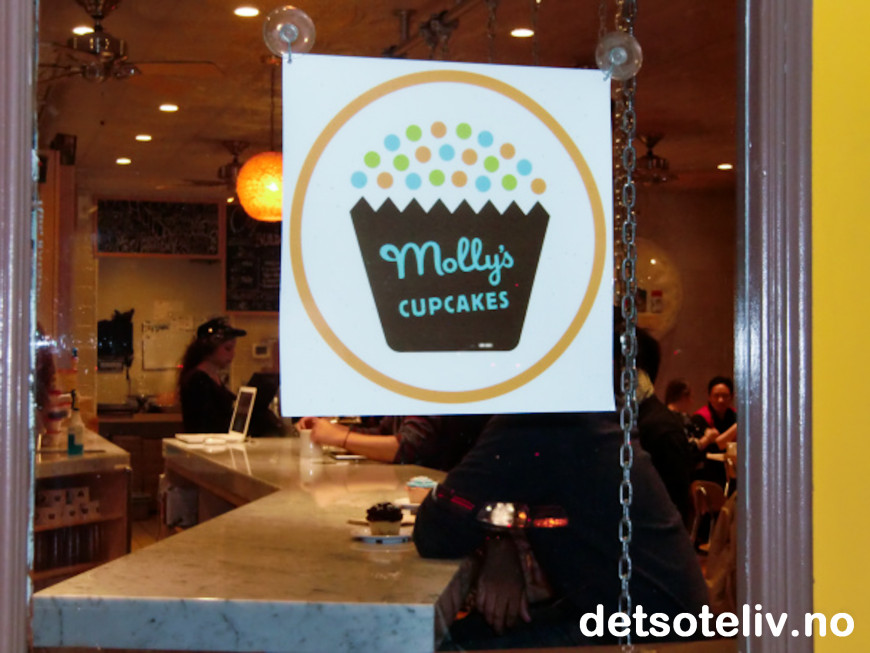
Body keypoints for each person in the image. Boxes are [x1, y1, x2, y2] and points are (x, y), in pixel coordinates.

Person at [413, 411, 709, 649]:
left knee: (445, 645)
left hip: (649, 636)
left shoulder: (541, 419)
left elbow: (435, 529)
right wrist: (498, 541)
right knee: (469, 632)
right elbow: (493, 500)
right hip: (653, 619)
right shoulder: (582, 414)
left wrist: (496, 537)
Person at [297, 414, 491, 471]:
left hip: (439, 491)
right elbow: (383, 433)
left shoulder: (428, 383)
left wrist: (341, 438)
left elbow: (408, 447)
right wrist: (335, 430)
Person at [178, 317, 247, 434]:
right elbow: (208, 424)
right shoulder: (198, 381)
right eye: (227, 348)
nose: (232, 354)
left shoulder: (212, 378)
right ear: (209, 349)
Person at [693, 376, 738, 486]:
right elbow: (718, 445)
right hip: (707, 474)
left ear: (732, 397)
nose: (720, 400)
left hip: (732, 472)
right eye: (716, 396)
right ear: (709, 397)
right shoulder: (700, 418)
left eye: (725, 396)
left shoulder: (734, 415)